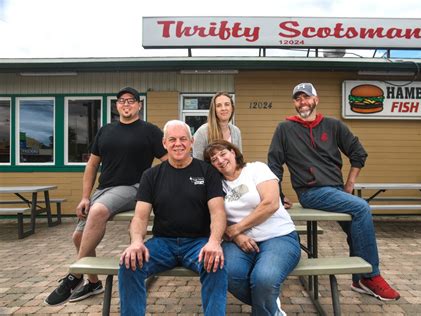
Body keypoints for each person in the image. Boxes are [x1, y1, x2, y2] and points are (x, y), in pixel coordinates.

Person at [267, 82, 400, 301]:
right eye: (298, 98)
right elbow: (274, 164)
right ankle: (371, 276)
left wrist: (349, 184)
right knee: (361, 208)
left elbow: (358, 153)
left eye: (306, 97)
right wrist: (278, 195)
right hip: (311, 192)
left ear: (316, 100)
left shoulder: (333, 125)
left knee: (356, 229)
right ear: (294, 103)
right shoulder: (285, 129)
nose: (303, 102)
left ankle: (359, 279)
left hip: (337, 190)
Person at [45, 87, 168, 305]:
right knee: (78, 238)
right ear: (117, 105)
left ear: (139, 105)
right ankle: (93, 282)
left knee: (99, 211)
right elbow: (92, 164)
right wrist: (85, 197)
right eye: (122, 101)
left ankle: (75, 275)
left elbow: (168, 162)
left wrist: (159, 188)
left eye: (131, 100)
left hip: (133, 187)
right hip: (104, 190)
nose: (126, 104)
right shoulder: (105, 131)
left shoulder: (150, 131)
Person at [118, 120, 228, 316]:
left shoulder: (207, 171)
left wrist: (214, 242)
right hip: (162, 244)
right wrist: (136, 242)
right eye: (173, 139)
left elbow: (218, 212)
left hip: (198, 243)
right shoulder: (151, 175)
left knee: (216, 264)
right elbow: (140, 217)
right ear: (164, 143)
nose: (178, 144)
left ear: (192, 141)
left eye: (183, 139)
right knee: (129, 264)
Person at [204, 140, 301, 315]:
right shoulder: (216, 184)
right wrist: (237, 236)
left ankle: (266, 307)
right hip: (238, 242)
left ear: (233, 152)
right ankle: (270, 304)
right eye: (213, 159)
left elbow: (270, 203)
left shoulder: (256, 169)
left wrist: (236, 229)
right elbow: (216, 216)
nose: (219, 160)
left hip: (278, 236)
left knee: (264, 279)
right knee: (228, 273)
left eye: (223, 153)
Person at [192, 91, 242, 160]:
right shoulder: (202, 132)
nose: (223, 108)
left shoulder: (236, 131)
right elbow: (198, 164)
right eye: (219, 105)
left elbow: (239, 160)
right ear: (214, 110)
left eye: (227, 104)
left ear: (232, 108)